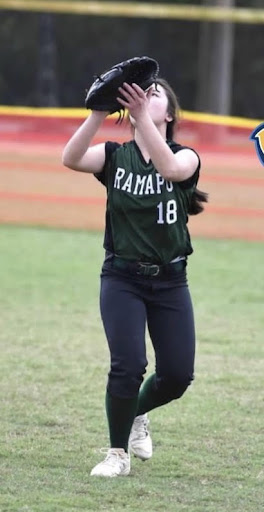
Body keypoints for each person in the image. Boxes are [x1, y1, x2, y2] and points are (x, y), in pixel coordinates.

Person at [62, 76, 207, 477]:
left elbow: (172, 169)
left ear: (171, 113)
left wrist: (142, 119)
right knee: (128, 365)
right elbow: (70, 158)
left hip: (170, 281)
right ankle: (117, 454)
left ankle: (138, 413)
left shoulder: (187, 156)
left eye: (154, 93)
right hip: (122, 277)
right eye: (141, 92)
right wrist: (97, 113)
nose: (146, 96)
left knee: (177, 375)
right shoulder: (113, 156)